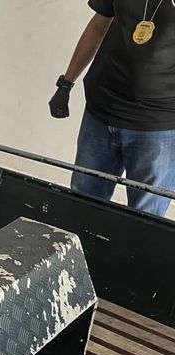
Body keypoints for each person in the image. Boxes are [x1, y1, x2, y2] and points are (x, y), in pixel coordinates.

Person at [49, 0, 175, 217]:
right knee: (83, 207)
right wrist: (66, 83)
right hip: (100, 113)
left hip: (158, 127)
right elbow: (98, 26)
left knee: (144, 220)